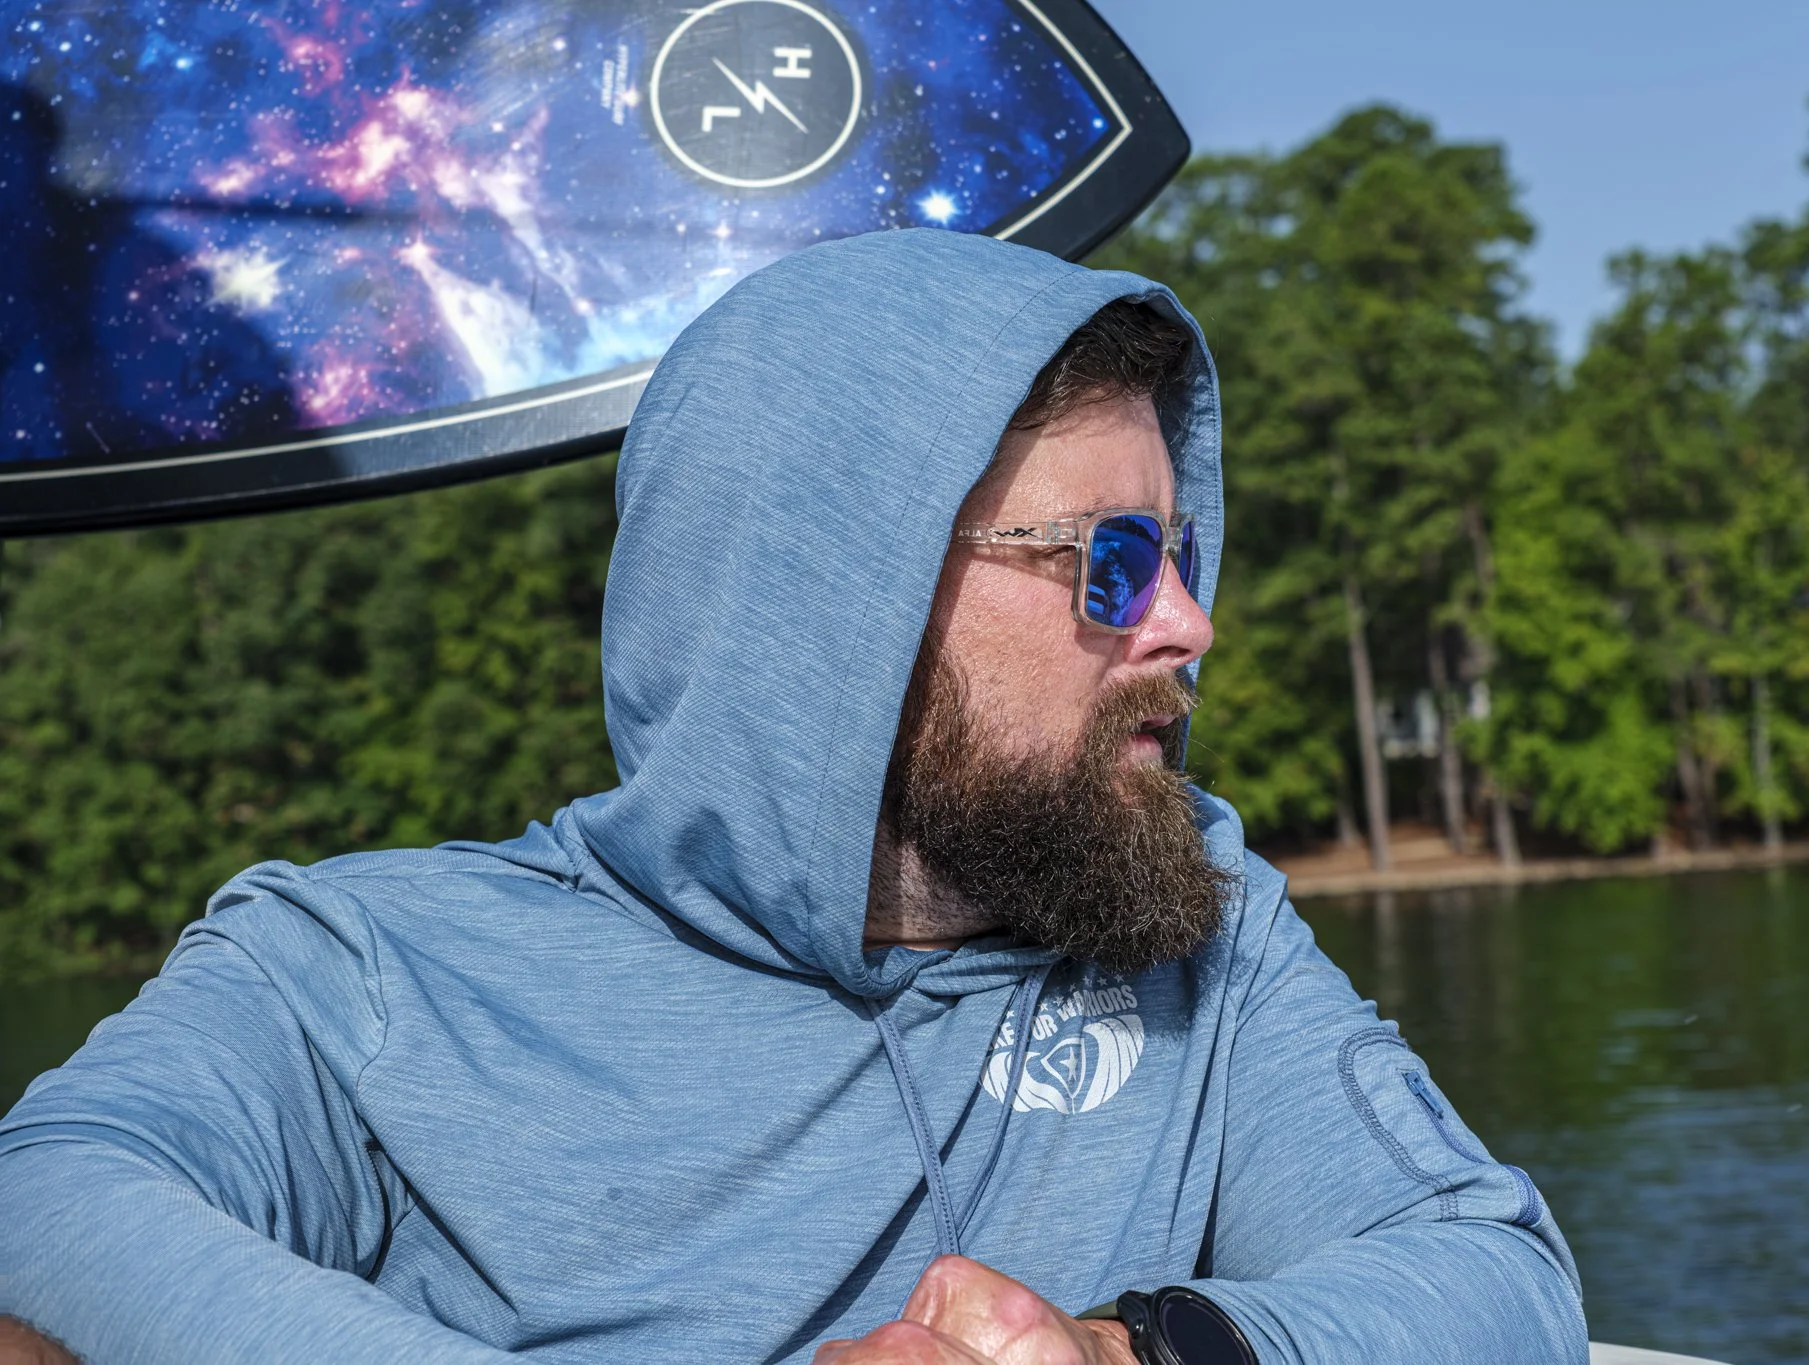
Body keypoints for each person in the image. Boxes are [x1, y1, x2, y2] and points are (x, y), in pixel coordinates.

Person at [0, 230, 1586, 1364]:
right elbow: (45, 1202)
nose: (1188, 623)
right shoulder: (365, 969)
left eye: (1176, 554)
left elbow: (1499, 1278)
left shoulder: (1201, 942)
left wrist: (1126, 1352)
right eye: (1112, 562)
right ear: (841, 601)